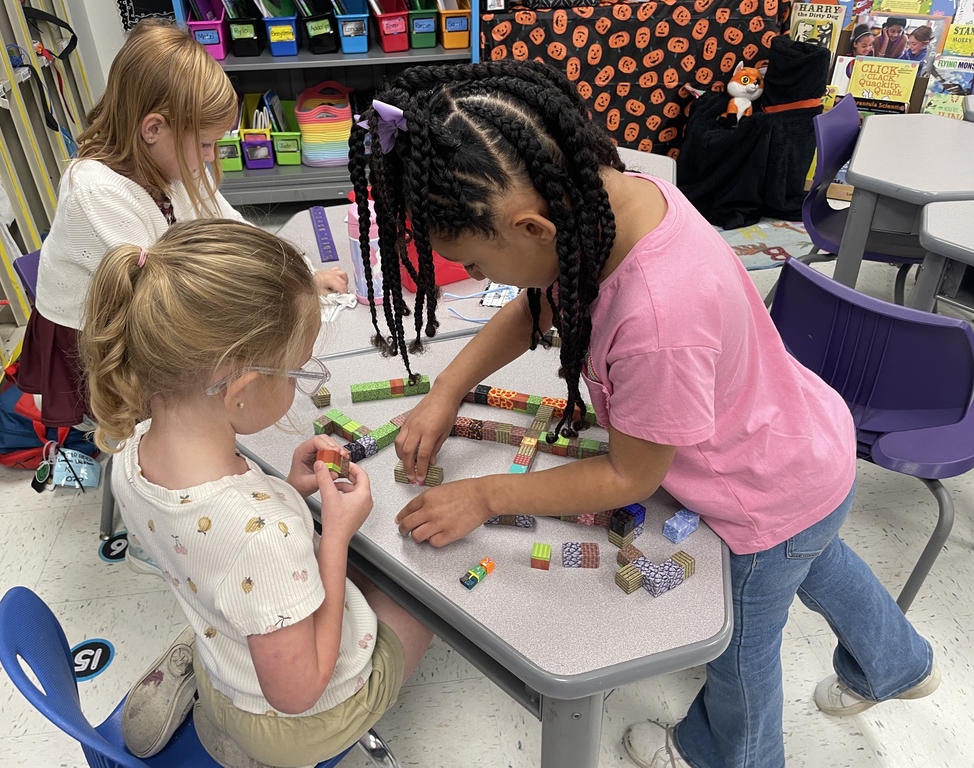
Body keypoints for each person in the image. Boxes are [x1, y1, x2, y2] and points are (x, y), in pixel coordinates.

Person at [347, 60, 938, 768]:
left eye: (474, 265)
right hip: (806, 446)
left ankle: (721, 754)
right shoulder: (611, 200)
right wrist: (447, 390)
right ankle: (900, 664)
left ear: (532, 227)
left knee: (742, 657)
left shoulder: (659, 319)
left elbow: (627, 476)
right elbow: (538, 305)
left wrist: (485, 495)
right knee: (819, 557)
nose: (477, 278)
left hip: (761, 496)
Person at [79, 220, 431, 767]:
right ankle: (251, 744)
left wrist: (283, 490)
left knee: (286, 595)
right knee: (418, 608)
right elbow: (298, 693)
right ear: (240, 391)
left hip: (224, 666)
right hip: (291, 726)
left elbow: (209, 537)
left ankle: (205, 693)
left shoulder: (130, 453)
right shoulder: (266, 535)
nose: (298, 384)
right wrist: (335, 537)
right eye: (295, 373)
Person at [18, 19, 346, 432]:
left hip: (152, 309)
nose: (211, 156)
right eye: (206, 143)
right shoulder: (94, 189)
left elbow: (232, 227)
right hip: (102, 338)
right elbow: (168, 297)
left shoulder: (172, 160)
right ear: (153, 129)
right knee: (169, 421)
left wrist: (299, 276)